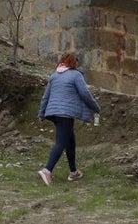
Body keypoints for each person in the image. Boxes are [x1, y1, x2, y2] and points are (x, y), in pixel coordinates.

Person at [36, 52, 100, 185]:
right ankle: (47, 170)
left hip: (53, 113)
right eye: (76, 62)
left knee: (70, 142)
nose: (77, 65)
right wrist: (95, 107)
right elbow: (84, 93)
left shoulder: (54, 76)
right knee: (61, 143)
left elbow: (45, 97)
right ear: (73, 63)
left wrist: (41, 114)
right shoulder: (76, 75)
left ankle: (73, 172)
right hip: (65, 114)